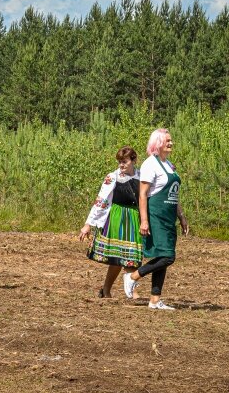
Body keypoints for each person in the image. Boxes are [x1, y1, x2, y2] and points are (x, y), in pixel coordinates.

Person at [123, 129, 189, 310]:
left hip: (169, 217)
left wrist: (181, 216)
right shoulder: (150, 164)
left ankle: (155, 300)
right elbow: (143, 195)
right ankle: (133, 276)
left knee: (163, 256)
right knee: (168, 257)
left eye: (171, 140)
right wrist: (144, 221)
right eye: (167, 140)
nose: (171, 143)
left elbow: (174, 193)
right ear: (158, 143)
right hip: (156, 216)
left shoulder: (168, 164)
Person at [79, 146, 143, 298]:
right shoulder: (113, 177)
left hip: (134, 218)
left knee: (130, 255)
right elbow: (100, 200)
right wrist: (88, 224)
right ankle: (121, 291)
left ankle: (112, 289)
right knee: (117, 258)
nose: (121, 165)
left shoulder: (142, 176)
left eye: (125, 161)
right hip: (116, 218)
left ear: (134, 160)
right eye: (120, 162)